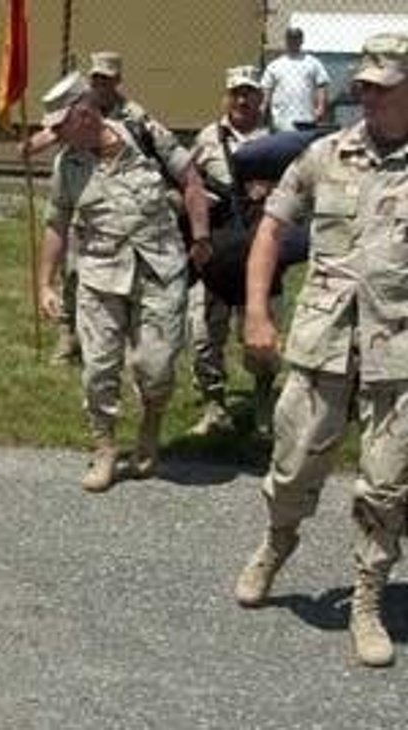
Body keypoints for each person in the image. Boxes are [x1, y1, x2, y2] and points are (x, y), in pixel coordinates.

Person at [234, 32, 408, 668]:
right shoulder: (324, 155)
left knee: (388, 484)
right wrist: (259, 311)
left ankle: (368, 596)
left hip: (400, 351)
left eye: (383, 88)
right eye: (363, 87)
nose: (369, 97)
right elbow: (271, 229)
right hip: (323, 342)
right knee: (292, 465)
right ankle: (277, 543)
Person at [37, 71, 211, 493]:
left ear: (84, 114)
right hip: (100, 275)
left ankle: (150, 429)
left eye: (60, 126)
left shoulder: (145, 134)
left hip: (160, 269)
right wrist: (45, 283)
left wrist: (202, 236)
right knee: (98, 368)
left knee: (156, 366)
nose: (55, 136)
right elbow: (57, 222)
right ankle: (104, 448)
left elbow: (191, 180)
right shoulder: (68, 164)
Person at [22, 51, 181, 366]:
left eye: (106, 79)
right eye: (96, 78)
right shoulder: (76, 107)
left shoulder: (133, 115)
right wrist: (33, 144)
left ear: (117, 81)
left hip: (132, 212)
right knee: (74, 273)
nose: (100, 84)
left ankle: (132, 340)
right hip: (86, 202)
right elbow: (52, 133)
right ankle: (69, 334)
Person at [187, 65, 275, 437]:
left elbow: (301, 193)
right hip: (217, 249)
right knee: (204, 331)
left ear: (261, 97)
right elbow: (187, 181)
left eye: (249, 93)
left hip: (260, 250)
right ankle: (214, 405)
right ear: (227, 96)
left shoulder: (276, 141)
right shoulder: (208, 139)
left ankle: (263, 403)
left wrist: (270, 189)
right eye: (236, 92)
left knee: (261, 332)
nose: (242, 99)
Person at [261, 27, 331, 132]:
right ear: (286, 40)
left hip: (307, 120)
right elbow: (267, 90)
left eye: (296, 38)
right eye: (291, 38)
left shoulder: (313, 63)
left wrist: (321, 108)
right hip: (280, 122)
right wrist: (263, 109)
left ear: (302, 40)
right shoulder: (274, 65)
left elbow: (322, 85)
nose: (293, 41)